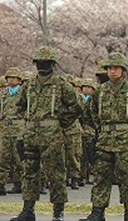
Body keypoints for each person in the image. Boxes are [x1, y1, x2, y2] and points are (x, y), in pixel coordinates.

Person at [12, 46, 81, 221]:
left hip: (53, 137)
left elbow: (75, 108)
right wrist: (25, 127)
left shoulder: (61, 84)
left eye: (46, 62)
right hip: (31, 135)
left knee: (56, 173)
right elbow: (19, 106)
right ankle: (28, 210)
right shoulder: (29, 85)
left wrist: (59, 123)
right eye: (39, 62)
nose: (42, 65)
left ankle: (58, 212)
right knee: (29, 172)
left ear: (52, 64)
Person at [79, 52, 128, 221]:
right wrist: (98, 131)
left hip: (127, 141)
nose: (112, 71)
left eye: (116, 68)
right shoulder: (100, 91)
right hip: (104, 140)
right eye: (110, 68)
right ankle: (97, 212)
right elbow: (89, 113)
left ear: (123, 70)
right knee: (101, 177)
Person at [0, 67, 24, 195]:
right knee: (3, 156)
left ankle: (18, 183)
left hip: (19, 127)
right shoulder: (3, 94)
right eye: (9, 77)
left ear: (19, 80)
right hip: (5, 128)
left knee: (18, 157)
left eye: (14, 78)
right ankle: (1, 184)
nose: (11, 80)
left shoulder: (23, 93)